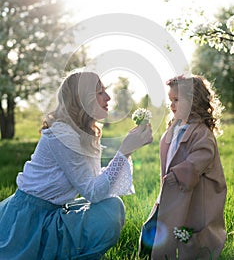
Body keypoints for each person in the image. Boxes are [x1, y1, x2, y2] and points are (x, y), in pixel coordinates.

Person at [0, 71, 153, 260]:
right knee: (110, 210)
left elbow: (95, 182)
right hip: (31, 220)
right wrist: (124, 152)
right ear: (83, 101)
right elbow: (93, 192)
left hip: (51, 211)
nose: (108, 97)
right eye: (100, 92)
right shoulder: (63, 134)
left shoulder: (83, 132)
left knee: (111, 206)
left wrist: (126, 150)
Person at [139, 75, 227, 260]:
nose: (171, 105)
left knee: (188, 233)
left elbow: (201, 157)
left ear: (193, 101)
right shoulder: (175, 126)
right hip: (171, 190)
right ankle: (149, 255)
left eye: (177, 100)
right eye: (170, 100)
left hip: (191, 192)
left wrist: (177, 175)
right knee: (154, 228)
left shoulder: (202, 133)